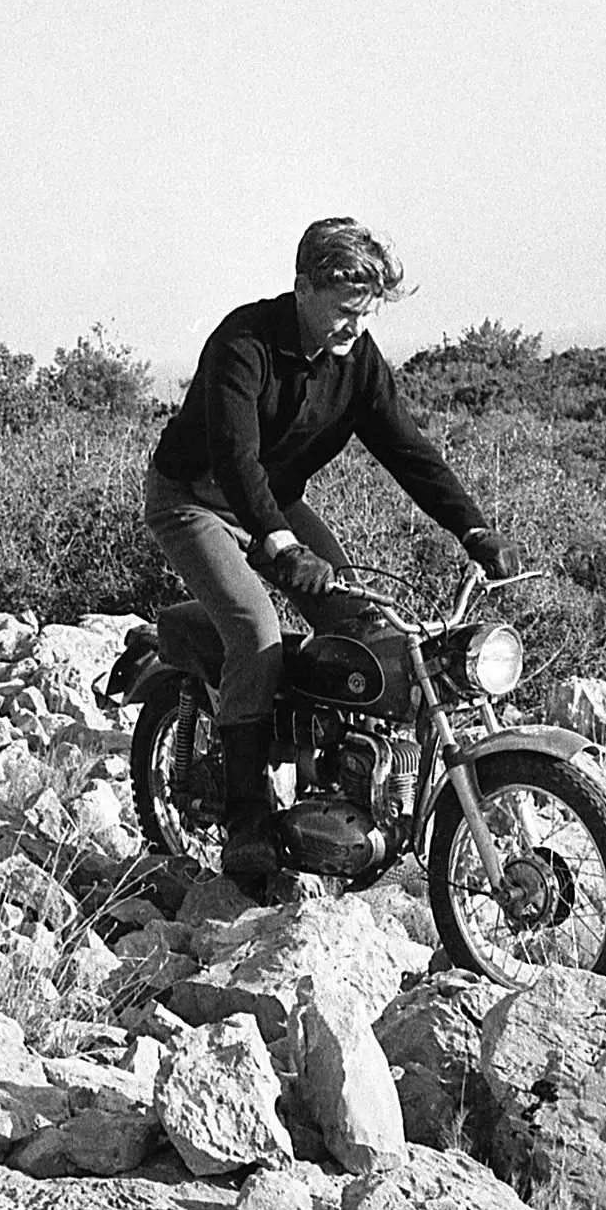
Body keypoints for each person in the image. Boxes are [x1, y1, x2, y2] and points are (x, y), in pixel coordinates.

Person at [145, 217, 521, 878]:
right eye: (347, 309)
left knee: (362, 621)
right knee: (254, 629)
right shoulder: (244, 343)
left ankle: (350, 783)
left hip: (273, 500)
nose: (357, 325)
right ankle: (246, 820)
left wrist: (472, 528)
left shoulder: (357, 361)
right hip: (194, 498)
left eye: (368, 312)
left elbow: (406, 448)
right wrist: (283, 544)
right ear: (304, 289)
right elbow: (235, 457)